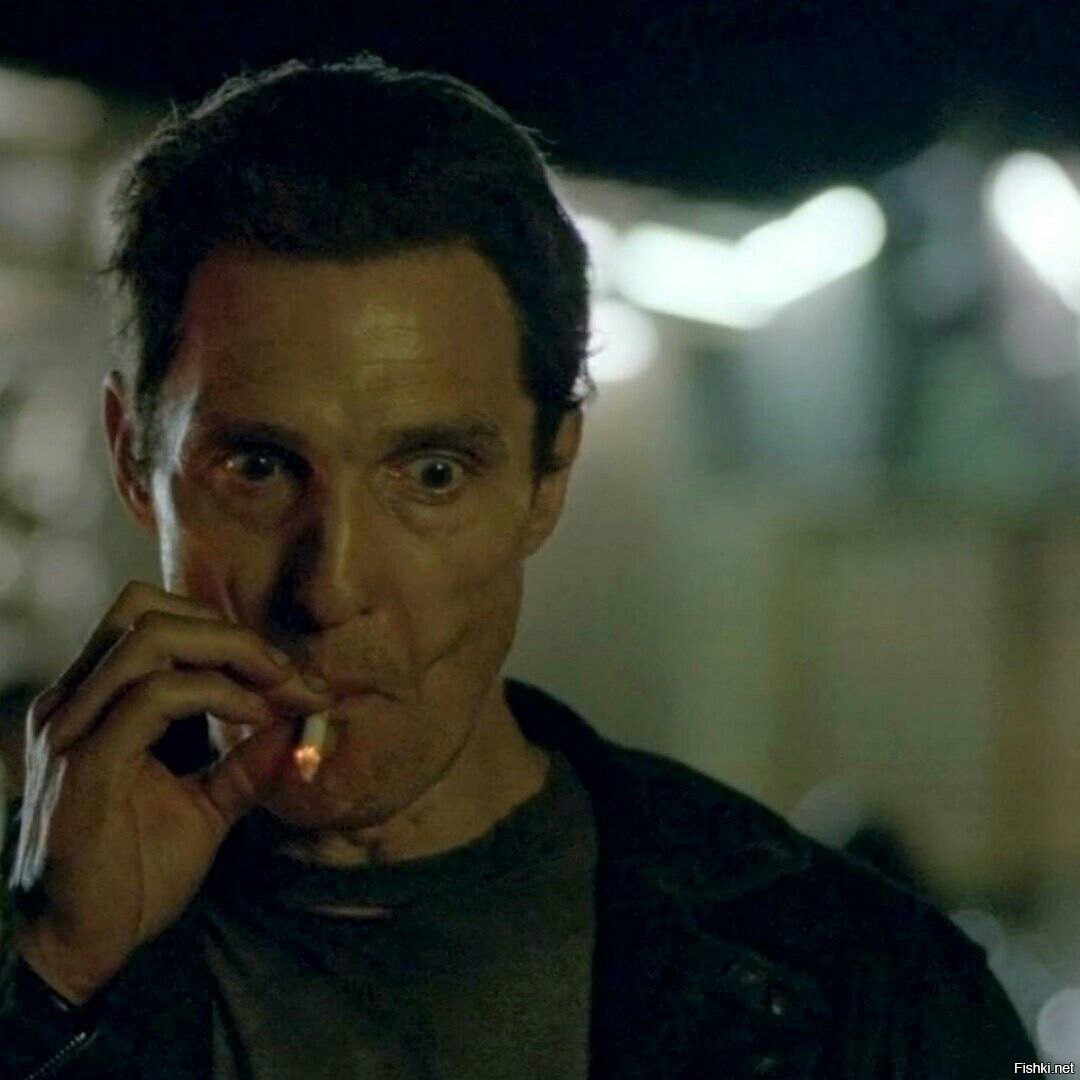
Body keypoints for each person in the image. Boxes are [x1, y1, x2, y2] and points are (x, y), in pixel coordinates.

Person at [0, 54, 1035, 1078]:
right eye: (259, 467)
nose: (330, 588)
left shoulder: (862, 987)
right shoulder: (45, 942)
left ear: (548, 478)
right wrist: (44, 977)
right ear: (132, 458)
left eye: (431, 474)